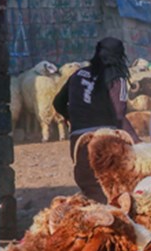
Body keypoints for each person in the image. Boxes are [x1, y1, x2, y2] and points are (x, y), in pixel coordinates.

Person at [52, 36, 140, 203]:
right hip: (105, 139)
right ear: (120, 56)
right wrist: (137, 141)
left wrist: (72, 118)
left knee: (90, 189)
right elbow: (119, 114)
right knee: (113, 190)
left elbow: (58, 103)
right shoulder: (116, 78)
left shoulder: (77, 75)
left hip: (79, 139)